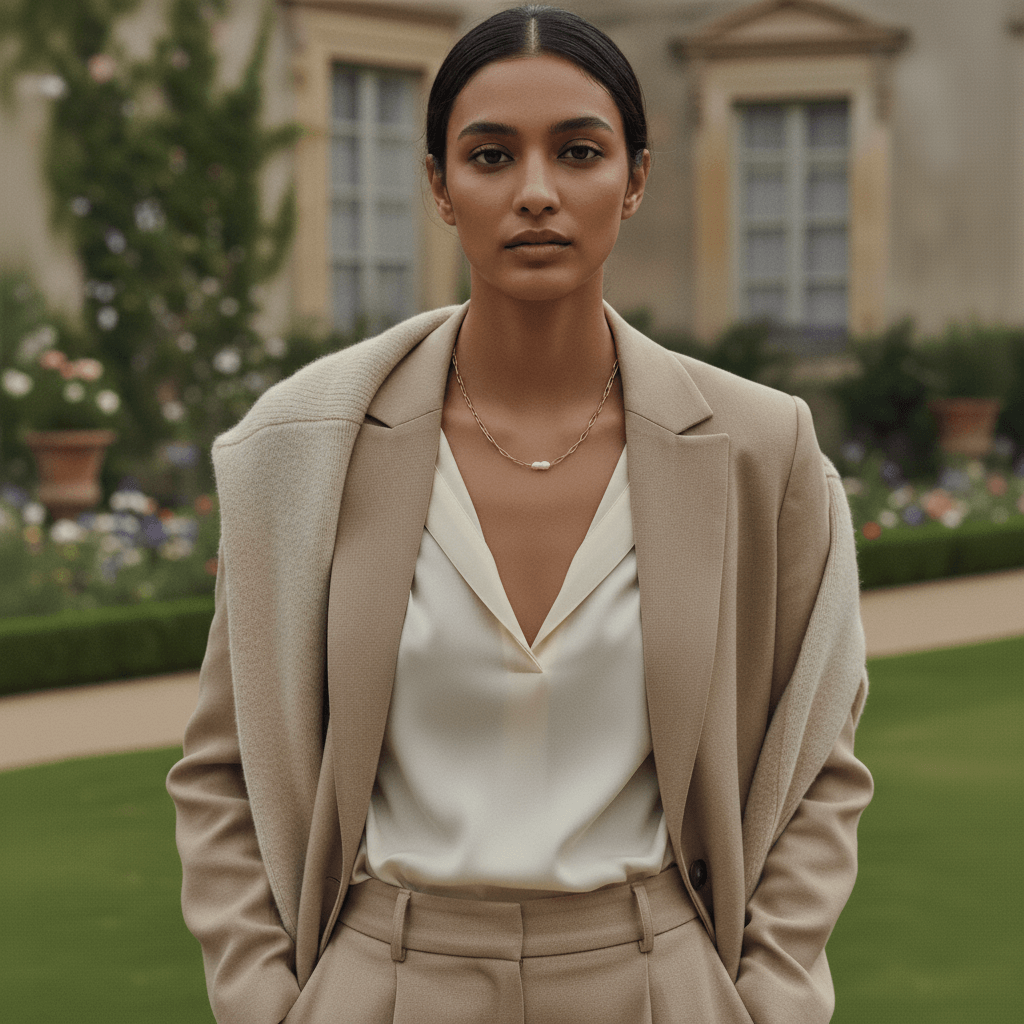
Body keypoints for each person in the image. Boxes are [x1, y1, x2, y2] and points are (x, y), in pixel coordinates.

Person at [166, 6, 873, 1023]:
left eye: (578, 151)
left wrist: (772, 995)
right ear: (439, 186)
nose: (535, 191)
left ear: (632, 179)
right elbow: (221, 769)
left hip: (657, 981)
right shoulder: (306, 449)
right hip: (385, 980)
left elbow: (818, 768)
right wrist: (261, 998)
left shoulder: (763, 449)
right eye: (490, 154)